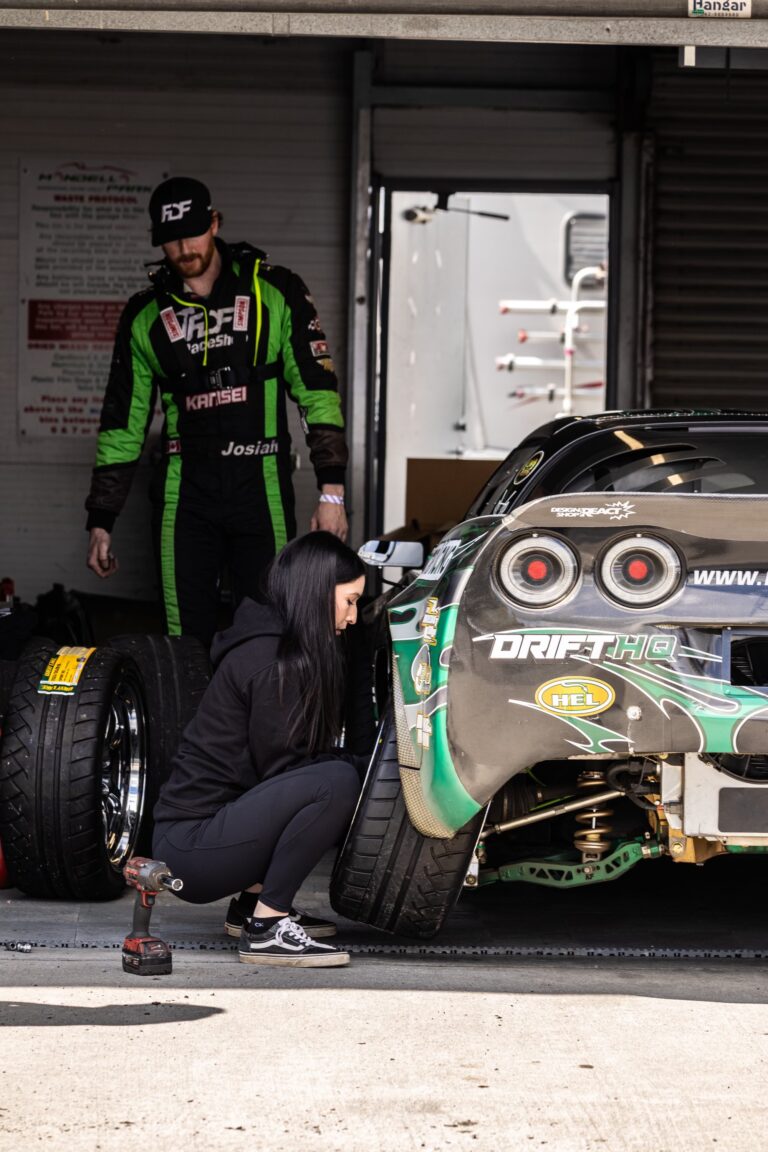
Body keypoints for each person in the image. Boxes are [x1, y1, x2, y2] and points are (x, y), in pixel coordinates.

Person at [84, 176, 349, 646]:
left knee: (270, 630)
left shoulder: (276, 290)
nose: (183, 248)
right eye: (170, 239)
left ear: (214, 222)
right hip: (185, 495)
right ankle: (188, 720)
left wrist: (332, 492)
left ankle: (264, 720)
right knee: (184, 637)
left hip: (261, 483)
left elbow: (316, 391)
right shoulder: (145, 315)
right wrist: (101, 519)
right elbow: (124, 421)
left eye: (192, 232)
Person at [151, 531, 367, 967]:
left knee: (338, 776)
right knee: (337, 784)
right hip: (190, 849)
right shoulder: (272, 661)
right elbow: (286, 773)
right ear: (318, 594)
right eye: (350, 600)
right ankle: (267, 928)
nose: (354, 616)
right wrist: (361, 772)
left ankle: (251, 906)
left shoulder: (279, 647)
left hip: (202, 835)